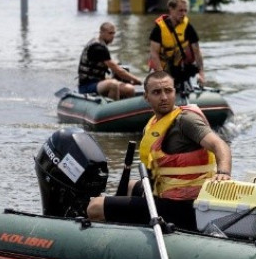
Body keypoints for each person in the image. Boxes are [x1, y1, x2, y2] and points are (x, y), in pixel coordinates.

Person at [86, 71, 232, 230]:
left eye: (168, 91)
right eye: (157, 92)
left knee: (95, 207)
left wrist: (224, 172)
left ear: (175, 93)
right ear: (146, 97)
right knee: (129, 186)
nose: (164, 97)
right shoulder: (152, 125)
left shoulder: (186, 120)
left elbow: (219, 145)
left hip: (184, 207)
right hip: (165, 197)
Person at [148, 0, 206, 88]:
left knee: (189, 73)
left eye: (185, 11)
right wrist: (162, 76)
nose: (183, 14)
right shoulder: (159, 29)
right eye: (180, 10)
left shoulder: (187, 27)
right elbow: (154, 54)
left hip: (179, 66)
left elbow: (197, 51)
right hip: (162, 67)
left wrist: (201, 73)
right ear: (171, 9)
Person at [78, 22, 142, 100]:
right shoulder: (97, 48)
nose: (112, 36)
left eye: (113, 33)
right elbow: (117, 70)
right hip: (87, 85)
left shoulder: (102, 46)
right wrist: (136, 80)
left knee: (130, 89)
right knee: (113, 84)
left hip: (98, 82)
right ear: (101, 33)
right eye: (110, 33)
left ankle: (126, 109)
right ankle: (113, 109)